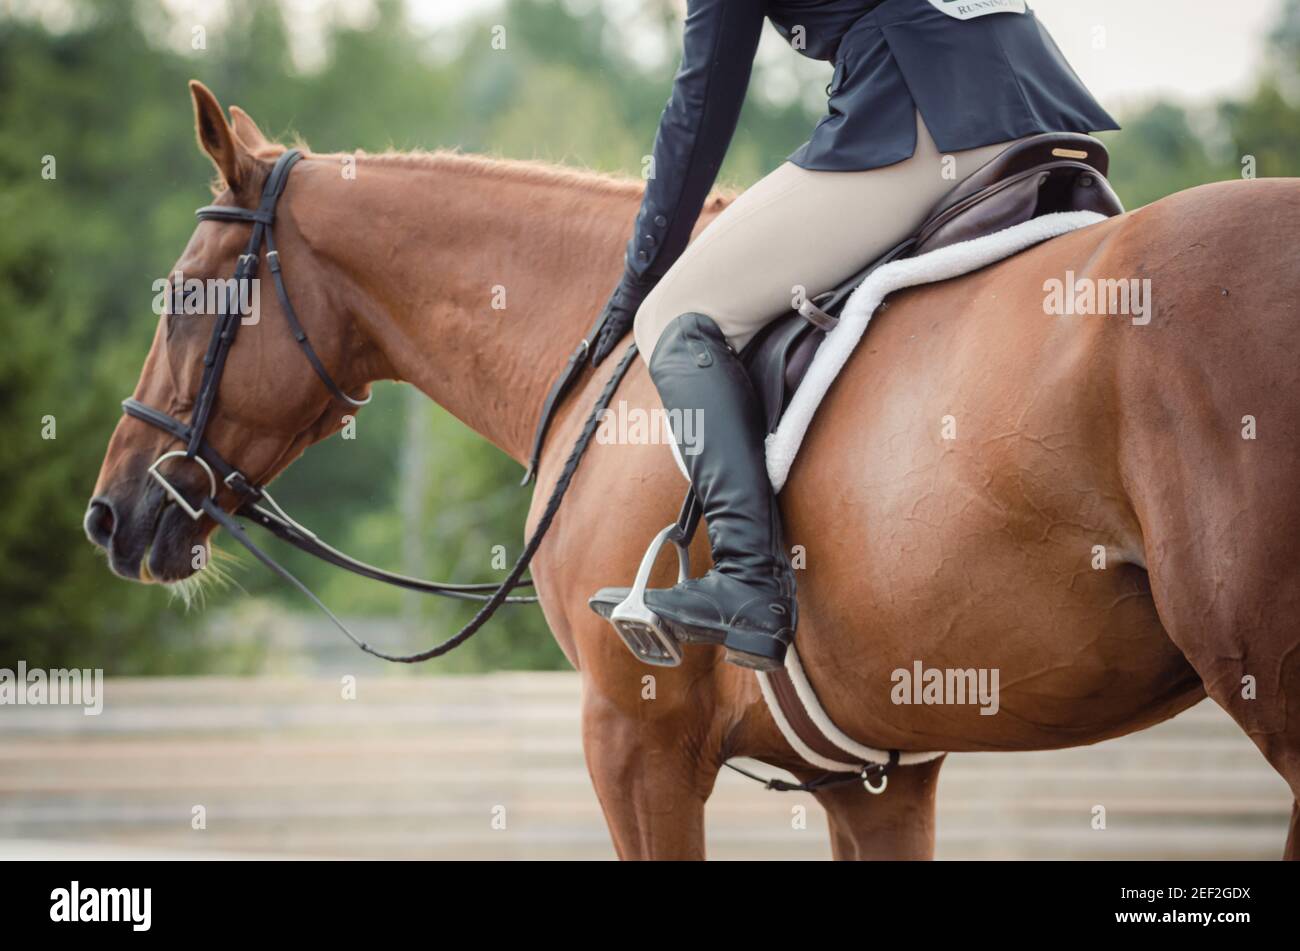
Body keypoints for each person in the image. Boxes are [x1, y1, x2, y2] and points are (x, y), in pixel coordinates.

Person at [588, 0, 1117, 671]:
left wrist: (639, 276)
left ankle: (748, 580)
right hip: (1039, 97)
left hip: (923, 110)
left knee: (674, 312)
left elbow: (704, 98)